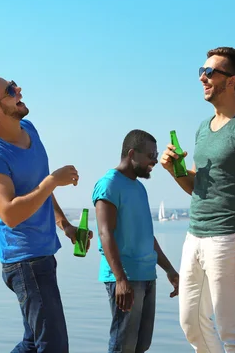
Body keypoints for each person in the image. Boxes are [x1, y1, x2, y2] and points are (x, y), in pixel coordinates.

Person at [0, 70, 93, 353]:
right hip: (24, 262)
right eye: (10, 91)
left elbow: (39, 190)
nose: (18, 90)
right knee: (53, 346)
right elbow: (9, 214)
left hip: (42, 255)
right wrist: (51, 182)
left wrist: (66, 225)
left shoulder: (30, 130)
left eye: (13, 84)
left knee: (33, 343)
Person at [160, 47, 235, 352]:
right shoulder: (203, 128)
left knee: (232, 330)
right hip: (194, 236)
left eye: (211, 72)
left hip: (230, 239)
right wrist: (175, 171)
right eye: (202, 70)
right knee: (191, 324)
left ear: (232, 81)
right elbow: (198, 187)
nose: (203, 77)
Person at [93, 129, 179, 353]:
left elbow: (146, 236)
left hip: (147, 276)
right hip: (126, 279)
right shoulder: (108, 184)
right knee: (124, 346)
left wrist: (169, 269)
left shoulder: (140, 188)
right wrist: (120, 280)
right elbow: (105, 233)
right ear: (132, 153)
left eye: (156, 154)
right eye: (150, 155)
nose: (154, 161)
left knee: (141, 345)